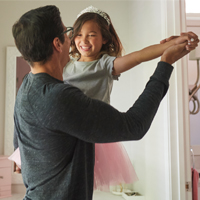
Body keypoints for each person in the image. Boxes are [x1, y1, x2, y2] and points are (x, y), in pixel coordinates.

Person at [11, 5, 198, 200]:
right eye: (69, 33)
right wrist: (165, 63)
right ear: (58, 44)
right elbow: (134, 126)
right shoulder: (60, 98)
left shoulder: (27, 84)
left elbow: (19, 122)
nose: (75, 39)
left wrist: (19, 148)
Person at [62, 5, 198, 191]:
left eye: (91, 34)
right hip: (66, 130)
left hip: (92, 129)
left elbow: (138, 57)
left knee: (81, 183)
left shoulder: (105, 64)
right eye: (78, 35)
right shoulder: (66, 66)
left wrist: (170, 46)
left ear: (104, 39)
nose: (83, 40)